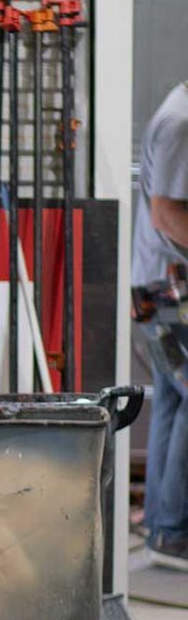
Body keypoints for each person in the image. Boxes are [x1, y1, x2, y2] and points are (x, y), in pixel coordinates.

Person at [132, 82, 188, 569]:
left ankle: (161, 529)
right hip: (171, 291)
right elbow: (166, 213)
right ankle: (172, 532)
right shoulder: (181, 121)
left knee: (172, 402)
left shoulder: (175, 108)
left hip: (159, 288)